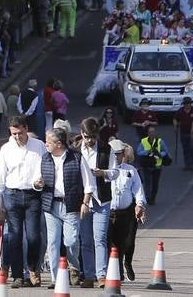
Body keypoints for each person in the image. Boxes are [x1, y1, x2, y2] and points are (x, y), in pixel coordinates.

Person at [35, 127, 93, 287]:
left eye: (48, 142)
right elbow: (36, 180)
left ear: (59, 144)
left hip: (71, 205)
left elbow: (89, 184)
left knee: (71, 240)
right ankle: (56, 278)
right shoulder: (45, 158)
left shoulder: (76, 158)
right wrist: (37, 184)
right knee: (52, 242)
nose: (45, 144)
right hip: (51, 205)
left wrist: (85, 203)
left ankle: (74, 268)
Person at [0, 116, 46, 289]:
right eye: (14, 134)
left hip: (32, 194)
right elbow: (0, 176)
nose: (17, 137)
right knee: (14, 237)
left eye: (20, 133)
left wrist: (40, 180)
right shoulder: (6, 149)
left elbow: (45, 168)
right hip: (12, 194)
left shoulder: (38, 146)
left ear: (26, 129)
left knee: (33, 236)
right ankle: (17, 275)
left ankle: (32, 268)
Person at [101, 141, 147, 282]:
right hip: (107, 212)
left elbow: (138, 189)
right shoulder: (103, 171)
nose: (116, 157)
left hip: (124, 213)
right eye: (113, 154)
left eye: (118, 154)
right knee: (106, 242)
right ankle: (107, 271)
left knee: (122, 243)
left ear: (123, 154)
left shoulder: (130, 170)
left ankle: (120, 270)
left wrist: (140, 204)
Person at [76, 118, 113, 289]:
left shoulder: (106, 149)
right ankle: (88, 275)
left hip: (101, 199)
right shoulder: (75, 150)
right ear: (81, 134)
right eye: (86, 137)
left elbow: (115, 172)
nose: (90, 140)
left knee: (100, 239)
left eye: (92, 137)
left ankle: (101, 275)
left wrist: (102, 173)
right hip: (82, 201)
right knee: (86, 240)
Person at [135, 123, 170, 205]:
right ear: (147, 133)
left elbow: (165, 151)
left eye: (153, 132)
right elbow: (138, 152)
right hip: (147, 165)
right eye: (150, 132)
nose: (152, 133)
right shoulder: (143, 141)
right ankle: (148, 197)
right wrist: (147, 152)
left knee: (155, 183)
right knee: (147, 182)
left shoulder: (160, 141)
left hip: (157, 166)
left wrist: (160, 154)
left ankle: (153, 197)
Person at [174, 97, 193, 171]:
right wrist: (175, 126)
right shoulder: (180, 111)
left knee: (192, 148)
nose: (187, 105)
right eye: (186, 103)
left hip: (192, 133)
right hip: (183, 133)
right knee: (185, 149)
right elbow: (175, 119)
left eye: (189, 103)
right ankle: (187, 164)